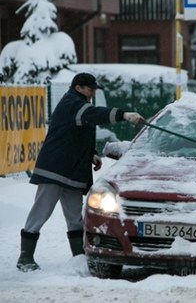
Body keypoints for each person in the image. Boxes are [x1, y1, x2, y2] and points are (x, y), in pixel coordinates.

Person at [16, 72, 144, 272]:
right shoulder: (72, 103)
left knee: (75, 216)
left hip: (72, 171)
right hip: (55, 169)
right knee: (41, 211)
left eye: (94, 89)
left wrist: (91, 153)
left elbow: (81, 131)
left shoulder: (79, 104)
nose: (92, 93)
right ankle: (25, 257)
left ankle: (79, 258)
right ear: (78, 88)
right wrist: (124, 115)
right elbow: (93, 115)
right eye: (90, 89)